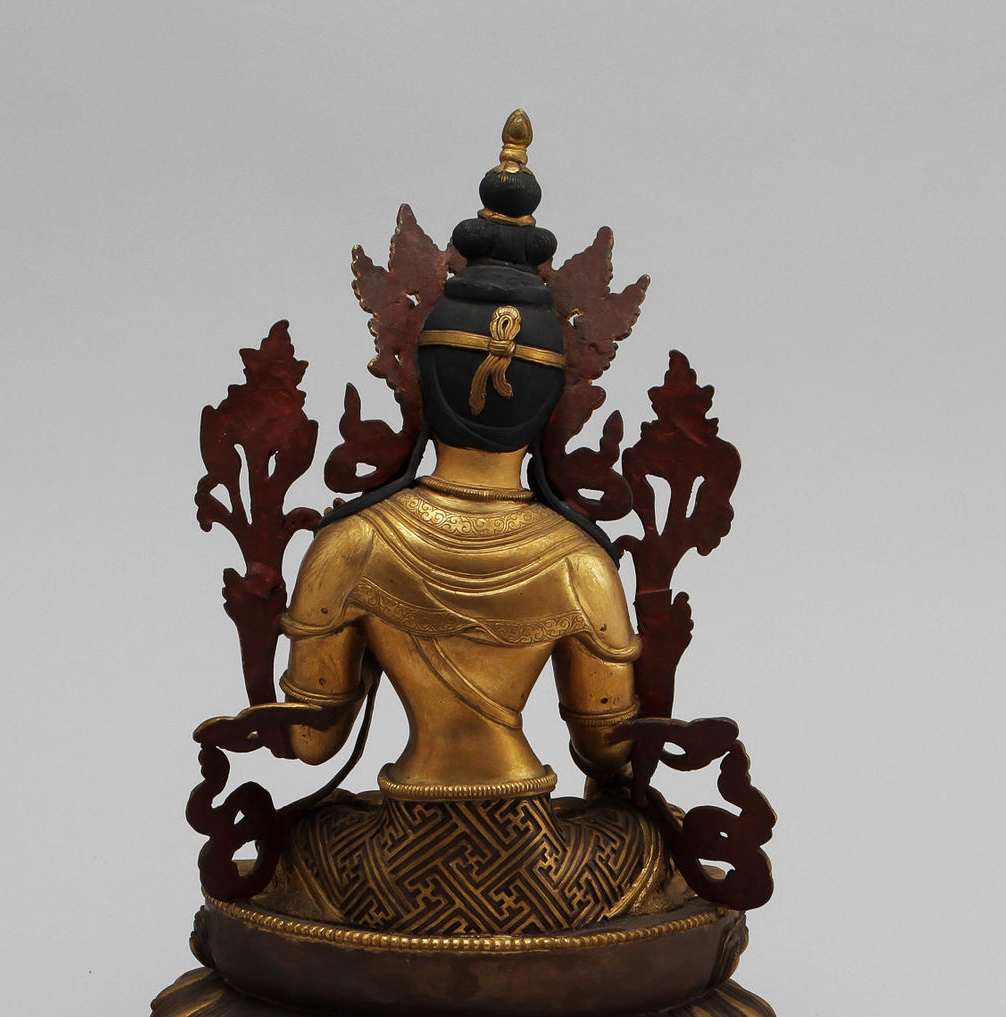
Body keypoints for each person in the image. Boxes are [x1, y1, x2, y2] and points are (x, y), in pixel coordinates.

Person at [243, 113, 687, 935]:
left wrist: (265, 639)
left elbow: (311, 745)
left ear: (418, 378)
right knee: (649, 845)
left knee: (298, 845)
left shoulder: (350, 544)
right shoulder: (579, 562)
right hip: (537, 861)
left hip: (386, 860)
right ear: (556, 400)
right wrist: (659, 664)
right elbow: (608, 753)